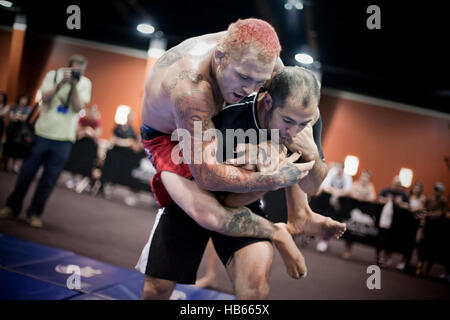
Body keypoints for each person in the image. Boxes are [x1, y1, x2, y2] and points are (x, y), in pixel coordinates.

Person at [139, 18, 325, 296]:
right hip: (173, 140)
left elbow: (298, 109)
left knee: (255, 287)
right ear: (220, 57)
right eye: (243, 77)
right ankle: (274, 231)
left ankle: (298, 213)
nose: (250, 90)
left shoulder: (265, 63)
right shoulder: (192, 86)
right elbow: (207, 176)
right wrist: (271, 178)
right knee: (206, 219)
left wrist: (297, 199)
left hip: (217, 131)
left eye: (259, 82)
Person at [0, 54, 91, 227]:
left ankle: (35, 213)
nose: (77, 72)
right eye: (74, 68)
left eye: (81, 69)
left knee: (49, 180)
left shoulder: (85, 83)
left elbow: (78, 107)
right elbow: (44, 98)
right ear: (68, 66)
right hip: (42, 134)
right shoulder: (53, 75)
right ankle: (12, 207)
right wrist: (61, 83)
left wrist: (73, 86)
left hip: (64, 139)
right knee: (26, 173)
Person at [315, 162, 352, 252]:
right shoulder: (331, 172)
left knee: (332, 223)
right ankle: (317, 237)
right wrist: (335, 191)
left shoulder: (347, 177)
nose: (338, 170)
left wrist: (337, 193)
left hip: (339, 205)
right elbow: (324, 186)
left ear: (343, 169)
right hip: (326, 202)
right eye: (337, 168)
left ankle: (324, 241)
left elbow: (348, 191)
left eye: (340, 168)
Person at [341, 169, 376, 259]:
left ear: (369, 179)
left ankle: (350, 250)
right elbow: (350, 192)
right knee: (348, 233)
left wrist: (361, 197)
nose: (364, 179)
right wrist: (359, 196)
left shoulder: (370, 187)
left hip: (364, 213)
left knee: (358, 234)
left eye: (366, 178)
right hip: (352, 211)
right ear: (360, 177)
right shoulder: (355, 184)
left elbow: (372, 197)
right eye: (363, 177)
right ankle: (347, 250)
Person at [376, 175, 409, 267]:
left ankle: (387, 258)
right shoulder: (386, 191)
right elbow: (378, 199)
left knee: (392, 241)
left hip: (397, 222)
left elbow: (407, 206)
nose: (397, 186)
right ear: (392, 183)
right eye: (395, 184)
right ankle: (379, 257)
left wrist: (400, 203)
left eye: (399, 184)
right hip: (384, 220)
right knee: (381, 238)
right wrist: (386, 200)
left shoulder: (404, 194)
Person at [2, 95, 32, 172]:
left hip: (21, 131)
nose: (23, 101)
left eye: (25, 100)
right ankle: (5, 164)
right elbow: (11, 117)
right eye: (22, 99)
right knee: (8, 146)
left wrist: (17, 117)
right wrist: (18, 117)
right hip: (11, 129)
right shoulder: (13, 106)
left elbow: (25, 118)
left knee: (18, 148)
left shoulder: (28, 108)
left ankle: (14, 165)